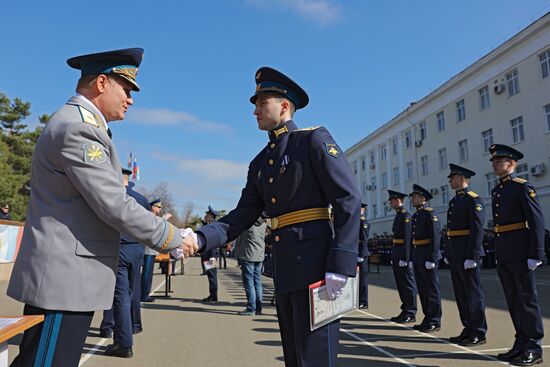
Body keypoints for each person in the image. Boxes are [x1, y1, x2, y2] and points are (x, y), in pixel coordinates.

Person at [6, 48, 195, 367]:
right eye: (127, 89)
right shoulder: (79, 129)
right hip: (62, 284)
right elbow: (114, 205)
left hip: (69, 280)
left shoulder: (85, 126)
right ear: (103, 83)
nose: (131, 99)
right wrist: (175, 237)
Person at [186, 67, 360, 366]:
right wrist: (200, 238)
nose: (254, 110)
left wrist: (341, 263)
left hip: (317, 267)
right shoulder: (260, 162)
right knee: (294, 357)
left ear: (284, 105)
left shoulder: (313, 141)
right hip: (284, 268)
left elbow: (348, 198)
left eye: (260, 102)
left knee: (315, 358)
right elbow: (241, 215)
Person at [489, 144, 545, 366]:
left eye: (498, 161)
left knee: (526, 299)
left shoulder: (522, 187)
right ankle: (521, 342)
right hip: (504, 252)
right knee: (513, 300)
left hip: (521, 252)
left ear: (511, 164)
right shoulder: (497, 190)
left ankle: (534, 346)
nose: (494, 164)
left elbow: (537, 221)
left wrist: (536, 252)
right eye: (493, 161)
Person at [100, 167, 149, 358]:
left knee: (119, 297)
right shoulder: (142, 200)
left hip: (118, 249)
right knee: (129, 293)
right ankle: (129, 330)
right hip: (137, 250)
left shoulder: (112, 195)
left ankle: (124, 343)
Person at [445, 164, 487, 346]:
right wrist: (448, 251)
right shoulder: (454, 202)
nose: (450, 181)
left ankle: (478, 331)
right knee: (461, 293)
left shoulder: (473, 200)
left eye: (453, 177)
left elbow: (477, 230)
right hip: (456, 252)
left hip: (468, 252)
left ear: (462, 178)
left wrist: (474, 255)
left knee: (473, 294)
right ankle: (468, 327)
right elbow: (450, 231)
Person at [409, 184, 442, 333]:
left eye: (414, 197)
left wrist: (432, 258)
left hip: (427, 254)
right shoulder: (415, 216)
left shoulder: (430, 214)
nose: (412, 199)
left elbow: (435, 237)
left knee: (431, 289)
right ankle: (427, 318)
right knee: (422, 289)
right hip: (418, 255)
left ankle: (435, 320)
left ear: (423, 199)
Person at [387, 190, 416, 324]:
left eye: (392, 200)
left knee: (407, 283)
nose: (390, 202)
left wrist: (406, 257)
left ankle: (410, 312)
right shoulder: (398, 215)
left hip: (403, 252)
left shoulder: (405, 216)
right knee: (400, 283)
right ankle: (405, 309)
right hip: (397, 251)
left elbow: (408, 238)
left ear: (398, 200)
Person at [234, 217, 267, 315]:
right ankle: (258, 307)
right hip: (259, 256)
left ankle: (251, 308)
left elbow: (239, 240)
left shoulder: (247, 225)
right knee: (257, 283)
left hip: (248, 256)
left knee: (249, 283)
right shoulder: (264, 225)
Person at [140, 198, 162, 303]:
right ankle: (143, 294)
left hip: (152, 250)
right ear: (153, 207)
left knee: (149, 273)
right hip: (148, 250)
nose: (160, 209)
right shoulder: (148, 216)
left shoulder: (155, 217)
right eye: (158, 207)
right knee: (146, 273)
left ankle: (146, 293)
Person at [201, 206, 219, 302]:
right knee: (210, 275)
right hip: (208, 255)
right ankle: (212, 294)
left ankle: (213, 296)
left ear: (211, 216)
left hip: (211, 255)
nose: (205, 216)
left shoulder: (212, 226)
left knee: (212, 275)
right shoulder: (208, 225)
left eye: (207, 214)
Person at [357, 203, 370, 309]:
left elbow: (364, 239)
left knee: (362, 279)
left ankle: (364, 301)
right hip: (357, 252)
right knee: (358, 278)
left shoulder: (363, 221)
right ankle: (359, 299)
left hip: (362, 254)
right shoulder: (357, 221)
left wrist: (361, 254)